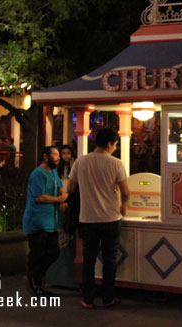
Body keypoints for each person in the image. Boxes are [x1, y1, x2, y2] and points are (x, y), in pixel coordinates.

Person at [67, 128, 130, 309]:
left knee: (89, 260)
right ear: (110, 144)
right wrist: (124, 206)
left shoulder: (81, 161)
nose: (115, 148)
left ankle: (88, 299)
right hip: (111, 218)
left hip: (87, 219)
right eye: (115, 145)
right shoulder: (116, 164)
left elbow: (70, 188)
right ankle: (108, 297)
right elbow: (125, 191)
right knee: (109, 260)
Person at [22, 146, 68, 296]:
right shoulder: (37, 174)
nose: (58, 157)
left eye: (58, 155)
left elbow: (60, 188)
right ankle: (34, 281)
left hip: (50, 221)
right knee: (38, 252)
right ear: (45, 156)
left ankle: (35, 277)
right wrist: (58, 199)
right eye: (54, 155)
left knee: (53, 252)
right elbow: (40, 196)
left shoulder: (54, 172)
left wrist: (62, 197)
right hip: (37, 221)